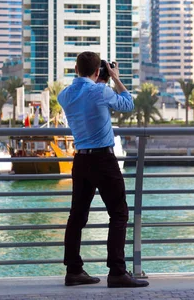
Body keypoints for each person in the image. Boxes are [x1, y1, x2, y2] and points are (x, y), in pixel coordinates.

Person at [58, 52, 148, 288]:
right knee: (118, 213)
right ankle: (117, 272)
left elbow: (83, 93)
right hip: (104, 160)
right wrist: (115, 78)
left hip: (81, 161)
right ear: (98, 71)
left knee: (76, 217)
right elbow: (128, 104)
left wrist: (99, 77)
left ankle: (74, 271)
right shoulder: (102, 91)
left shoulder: (65, 95)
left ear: (76, 69)